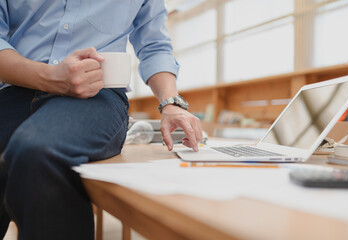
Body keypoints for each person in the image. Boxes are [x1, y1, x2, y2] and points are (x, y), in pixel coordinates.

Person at [0, 1, 202, 239]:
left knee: (39, 150)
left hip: (98, 94)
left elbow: (154, 46)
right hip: (14, 87)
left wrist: (171, 103)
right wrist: (51, 76)